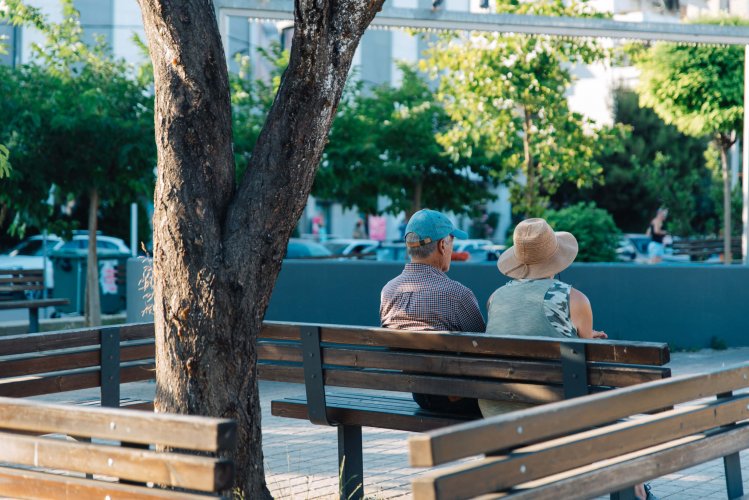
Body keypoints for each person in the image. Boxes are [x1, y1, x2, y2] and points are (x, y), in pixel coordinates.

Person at [481, 217, 655, 500]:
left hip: (496, 408)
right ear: (556, 258)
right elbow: (586, 361)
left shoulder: (495, 298)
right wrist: (588, 340)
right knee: (616, 422)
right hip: (554, 412)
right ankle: (637, 490)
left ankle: (635, 487)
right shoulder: (573, 299)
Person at [380, 209, 486, 415]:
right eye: (452, 241)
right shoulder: (457, 294)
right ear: (442, 245)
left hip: (420, 395)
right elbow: (484, 347)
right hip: (459, 398)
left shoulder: (388, 291)